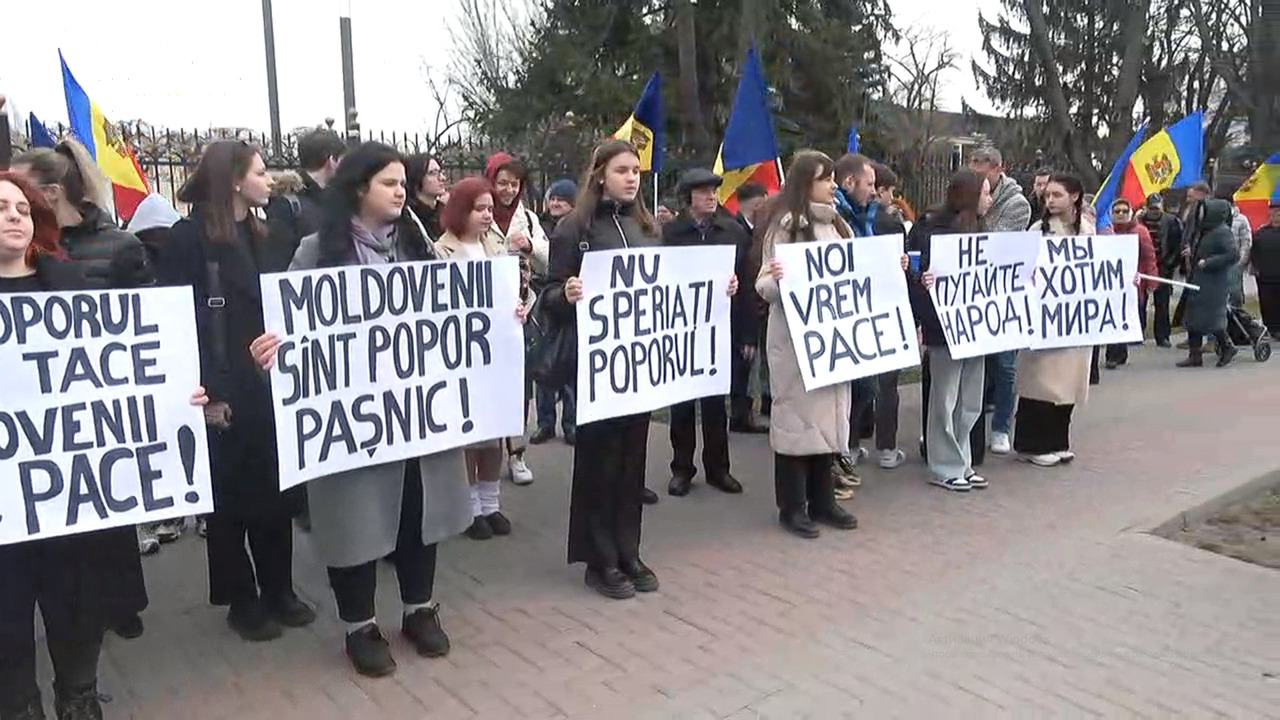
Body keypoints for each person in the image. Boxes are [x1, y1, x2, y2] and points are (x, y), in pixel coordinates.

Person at [253, 141, 473, 677]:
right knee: (354, 522)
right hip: (354, 424)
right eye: (389, 183)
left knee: (418, 514)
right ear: (357, 189)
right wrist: (272, 351)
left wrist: (498, 315)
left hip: (416, 416)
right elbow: (292, 328)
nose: (402, 191)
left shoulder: (418, 243)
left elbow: (454, 312)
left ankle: (420, 610)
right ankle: (359, 625)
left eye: (404, 182)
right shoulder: (315, 252)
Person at [0, 171, 209, 720]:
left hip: (71, 498)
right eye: (0, 207)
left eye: (22, 207)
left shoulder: (70, 286)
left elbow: (121, 374)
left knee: (75, 608)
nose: (15, 215)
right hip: (6, 509)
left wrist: (173, 394)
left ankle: (79, 698)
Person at [154, 141, 315, 643]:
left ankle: (279, 589)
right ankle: (241, 598)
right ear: (233, 181)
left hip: (270, 384)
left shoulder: (267, 232)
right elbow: (177, 321)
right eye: (261, 173)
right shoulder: (187, 240)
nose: (270, 181)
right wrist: (205, 386)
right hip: (221, 386)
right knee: (228, 501)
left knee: (275, 490)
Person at [11, 140, 157, 639]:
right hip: (32, 412)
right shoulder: (28, 255)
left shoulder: (117, 246)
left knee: (106, 515)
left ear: (50, 194)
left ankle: (118, 606)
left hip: (98, 403)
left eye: (22, 193)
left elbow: (147, 330)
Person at [542, 139, 667, 598]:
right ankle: (600, 560)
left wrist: (719, 285)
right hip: (595, 368)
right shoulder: (574, 229)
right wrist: (566, 294)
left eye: (636, 170)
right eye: (622, 170)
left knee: (633, 461)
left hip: (636, 365)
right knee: (600, 462)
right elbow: (548, 296)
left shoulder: (647, 226)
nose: (632, 177)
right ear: (599, 175)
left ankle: (629, 551)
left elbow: (668, 286)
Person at [756, 150, 859, 538]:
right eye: (824, 179)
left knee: (827, 423)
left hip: (832, 343)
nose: (833, 185)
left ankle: (823, 500)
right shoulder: (786, 228)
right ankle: (792, 506)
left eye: (832, 178)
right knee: (798, 424)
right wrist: (780, 280)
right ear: (805, 184)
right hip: (797, 347)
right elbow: (763, 284)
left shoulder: (838, 226)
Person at [434, 176, 526, 539]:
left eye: (491, 209)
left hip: (496, 355)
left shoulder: (495, 247)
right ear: (461, 210)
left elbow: (512, 291)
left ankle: (491, 503)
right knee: (469, 438)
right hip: (463, 357)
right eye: (480, 209)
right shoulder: (442, 251)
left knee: (494, 434)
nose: (488, 215)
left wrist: (518, 308)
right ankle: (470, 508)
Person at [661, 168, 750, 497]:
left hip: (719, 330)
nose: (711, 197)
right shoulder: (670, 234)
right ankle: (681, 468)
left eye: (714, 191)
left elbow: (747, 284)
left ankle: (719, 469)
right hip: (681, 330)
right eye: (703, 192)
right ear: (689, 199)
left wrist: (746, 334)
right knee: (682, 405)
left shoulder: (732, 232)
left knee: (715, 405)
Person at [911, 168, 994, 491]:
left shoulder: (979, 230)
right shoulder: (932, 230)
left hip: (978, 329)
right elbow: (915, 274)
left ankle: (963, 460)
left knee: (970, 399)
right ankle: (944, 465)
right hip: (943, 329)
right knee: (945, 399)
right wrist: (923, 283)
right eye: (986, 192)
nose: (990, 198)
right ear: (970, 195)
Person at [832, 153, 905, 487]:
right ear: (850, 182)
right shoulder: (833, 219)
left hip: (870, 315)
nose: (875, 192)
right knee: (852, 389)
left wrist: (897, 264)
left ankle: (849, 446)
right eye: (870, 184)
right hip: (839, 319)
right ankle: (840, 450)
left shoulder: (874, 219)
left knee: (871, 385)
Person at [1014, 173, 1094, 467]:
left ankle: (1058, 440)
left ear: (1074, 197)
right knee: (1042, 383)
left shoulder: (1086, 229)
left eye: (1057, 195)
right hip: (1045, 319)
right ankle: (1032, 444)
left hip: (1074, 320)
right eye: (1047, 195)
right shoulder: (1039, 229)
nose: (1050, 200)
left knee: (1067, 384)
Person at [967, 147, 1033, 455]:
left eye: (982, 175)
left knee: (1005, 365)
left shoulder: (1016, 204)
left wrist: (976, 213)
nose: (977, 180)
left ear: (997, 170)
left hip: (1005, 292)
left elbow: (996, 243)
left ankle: (1001, 428)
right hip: (975, 291)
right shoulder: (969, 196)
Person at [484, 152, 545, 486]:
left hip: (521, 314)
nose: (507, 190)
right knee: (491, 388)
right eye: (502, 182)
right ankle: (488, 455)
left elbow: (550, 260)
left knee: (522, 387)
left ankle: (517, 453)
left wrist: (531, 245)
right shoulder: (480, 214)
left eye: (514, 184)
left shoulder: (529, 219)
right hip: (487, 318)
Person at [531, 178, 578, 445]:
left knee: (569, 365)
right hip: (543, 301)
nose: (556, 203)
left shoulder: (578, 229)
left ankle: (570, 423)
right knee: (544, 365)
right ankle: (545, 423)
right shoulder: (539, 227)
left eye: (562, 199)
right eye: (553, 198)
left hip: (571, 304)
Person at [1176, 198, 1240, 368]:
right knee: (1192, 317)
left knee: (1211, 318)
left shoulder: (1223, 232)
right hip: (1198, 279)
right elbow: (1204, 249)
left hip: (1214, 282)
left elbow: (1233, 255)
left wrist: (1209, 262)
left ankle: (1227, 347)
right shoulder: (1204, 230)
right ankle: (1194, 354)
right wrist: (1192, 252)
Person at [1103, 199, 1159, 369]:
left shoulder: (1139, 232)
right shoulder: (1106, 232)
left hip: (1133, 285)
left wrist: (1151, 280)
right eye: (1117, 211)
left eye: (1124, 211)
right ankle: (1115, 354)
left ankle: (1117, 353)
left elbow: (1149, 257)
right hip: (1109, 283)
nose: (1120, 215)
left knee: (1124, 317)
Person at [1140, 193, 1183, 347]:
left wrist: (1170, 264)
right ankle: (1139, 333)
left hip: (1163, 266)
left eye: (1157, 208)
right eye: (1151, 208)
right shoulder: (1140, 221)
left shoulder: (1171, 222)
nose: (1154, 211)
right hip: (1143, 266)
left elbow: (1177, 244)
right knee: (1140, 302)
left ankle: (1162, 336)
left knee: (1162, 303)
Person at [1249, 200, 1280, 336]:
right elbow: (1253, 251)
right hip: (1265, 275)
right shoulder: (1261, 232)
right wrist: (1255, 268)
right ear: (1270, 214)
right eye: (1274, 212)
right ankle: (1270, 328)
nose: (1277, 215)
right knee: (1267, 302)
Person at [405, 153, 446, 240]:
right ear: (417, 177)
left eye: (441, 172)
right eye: (433, 173)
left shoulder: (446, 212)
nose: (442, 178)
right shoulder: (408, 218)